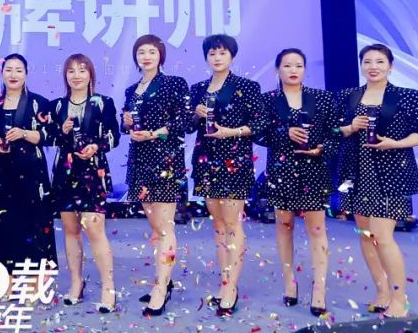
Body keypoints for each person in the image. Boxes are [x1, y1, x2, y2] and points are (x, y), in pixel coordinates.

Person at [334, 43, 418, 319]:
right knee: (365, 235)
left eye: (379, 61)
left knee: (382, 235)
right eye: (367, 61)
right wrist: (349, 127)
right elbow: (332, 131)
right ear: (361, 65)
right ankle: (382, 292)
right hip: (357, 173)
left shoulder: (407, 96)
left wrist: (396, 143)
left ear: (390, 66)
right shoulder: (348, 96)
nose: (373, 67)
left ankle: (400, 298)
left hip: (391, 173)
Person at [187, 34, 265, 317]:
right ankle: (224, 281)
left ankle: (232, 287)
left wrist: (231, 132)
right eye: (212, 53)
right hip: (206, 160)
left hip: (234, 161)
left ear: (232, 56)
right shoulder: (198, 88)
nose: (217, 58)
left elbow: (260, 124)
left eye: (222, 53)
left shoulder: (247, 87)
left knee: (233, 223)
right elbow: (187, 126)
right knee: (218, 224)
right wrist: (196, 115)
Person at [255, 48, 335, 317]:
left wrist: (322, 148)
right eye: (287, 65)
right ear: (277, 69)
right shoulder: (268, 100)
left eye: (298, 65)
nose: (293, 70)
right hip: (282, 170)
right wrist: (284, 133)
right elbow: (258, 133)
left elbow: (335, 133)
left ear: (304, 69)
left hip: (314, 170)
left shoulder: (321, 98)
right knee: (284, 225)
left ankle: (319, 289)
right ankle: (290, 283)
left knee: (316, 229)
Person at [120, 35, 189, 316]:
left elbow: (183, 120)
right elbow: (126, 125)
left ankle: (161, 288)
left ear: (161, 55)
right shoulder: (131, 89)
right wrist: (126, 123)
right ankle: (164, 279)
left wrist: (153, 133)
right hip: (139, 160)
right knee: (155, 227)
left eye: (151, 51)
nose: (146, 56)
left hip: (165, 160)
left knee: (165, 228)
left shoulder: (174, 84)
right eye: (141, 52)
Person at [48, 53, 121, 313]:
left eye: (82, 70)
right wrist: (62, 131)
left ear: (91, 74)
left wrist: (96, 147)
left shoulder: (103, 103)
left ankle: (108, 287)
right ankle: (76, 283)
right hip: (66, 173)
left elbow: (114, 136)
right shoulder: (57, 106)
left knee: (95, 228)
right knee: (70, 229)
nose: (76, 75)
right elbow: (50, 137)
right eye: (71, 71)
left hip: (93, 172)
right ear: (65, 76)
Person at [0, 54, 57, 295]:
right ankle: (6, 284)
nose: (13, 75)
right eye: (9, 70)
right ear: (2, 73)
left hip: (32, 173)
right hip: (1, 173)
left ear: (26, 73)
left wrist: (24, 133)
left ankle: (35, 285)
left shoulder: (39, 103)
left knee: (34, 225)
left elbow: (49, 135)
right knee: (3, 228)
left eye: (18, 70)